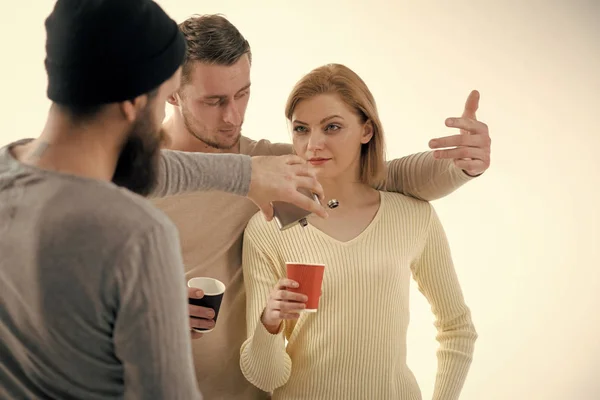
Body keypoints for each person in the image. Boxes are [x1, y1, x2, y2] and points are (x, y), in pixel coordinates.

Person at [150, 14, 491, 400]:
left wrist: (462, 163)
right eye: (214, 101)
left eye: (242, 93)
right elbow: (78, 298)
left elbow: (382, 177)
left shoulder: (271, 168)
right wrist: (149, 309)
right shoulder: (131, 175)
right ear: (171, 92)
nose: (233, 115)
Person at [0, 2, 328, 399]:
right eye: (165, 94)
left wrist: (247, 173)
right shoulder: (137, 235)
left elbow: (142, 169)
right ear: (135, 101)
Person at [240, 63, 480, 400]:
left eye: (332, 127)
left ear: (366, 130)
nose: (313, 144)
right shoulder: (268, 228)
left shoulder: (412, 215)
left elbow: (457, 327)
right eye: (301, 129)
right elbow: (266, 377)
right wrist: (269, 322)